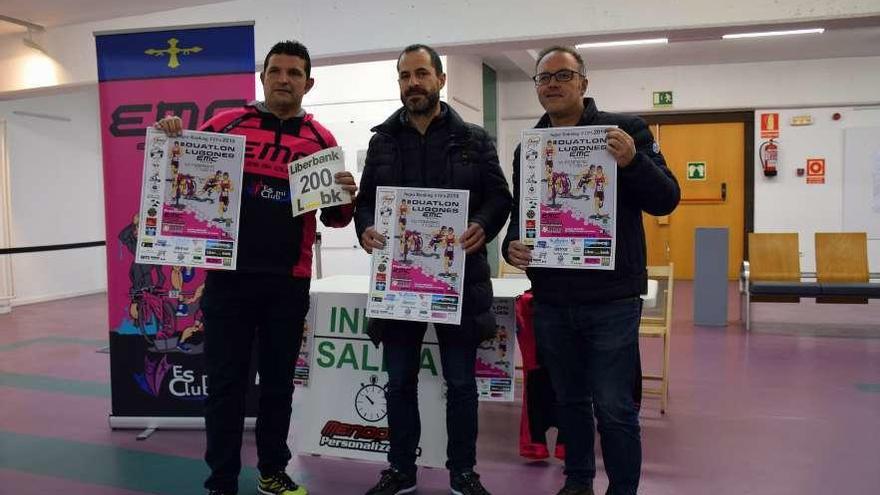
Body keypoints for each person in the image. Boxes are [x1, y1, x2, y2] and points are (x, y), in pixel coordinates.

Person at [156, 40, 357, 495]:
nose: (284, 79)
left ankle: (272, 472)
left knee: (279, 387)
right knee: (226, 386)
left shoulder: (322, 142)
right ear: (262, 77)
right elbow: (181, 167)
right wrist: (172, 135)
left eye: (294, 72)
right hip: (227, 281)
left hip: (288, 284)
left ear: (309, 82)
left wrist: (347, 194)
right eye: (276, 71)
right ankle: (221, 481)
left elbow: (337, 219)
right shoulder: (228, 124)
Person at [503, 46, 680, 495]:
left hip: (611, 299)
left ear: (584, 82)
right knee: (570, 402)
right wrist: (512, 248)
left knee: (615, 407)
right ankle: (577, 483)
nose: (553, 84)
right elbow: (520, 223)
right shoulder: (529, 149)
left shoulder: (625, 132)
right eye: (544, 78)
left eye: (564, 75)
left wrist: (633, 162)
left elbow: (666, 199)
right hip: (553, 299)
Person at [355, 44, 512, 495]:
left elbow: (500, 197)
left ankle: (463, 472)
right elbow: (367, 202)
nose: (413, 83)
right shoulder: (382, 141)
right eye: (404, 76)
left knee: (461, 384)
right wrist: (365, 229)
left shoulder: (474, 139)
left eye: (421, 74)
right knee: (399, 381)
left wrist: (483, 224)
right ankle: (401, 469)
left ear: (440, 80)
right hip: (399, 284)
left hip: (459, 280)